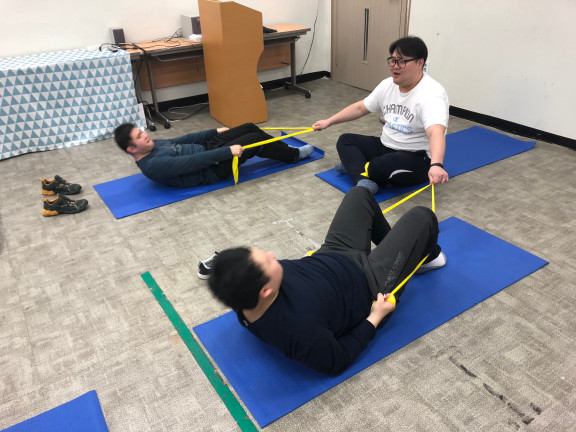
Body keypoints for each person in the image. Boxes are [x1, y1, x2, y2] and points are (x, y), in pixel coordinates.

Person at [207, 187, 446, 375]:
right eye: (269, 262)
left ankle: (403, 251)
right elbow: (337, 361)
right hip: (370, 284)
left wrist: (306, 263)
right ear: (266, 291)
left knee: (360, 194)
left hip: (333, 252)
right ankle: (426, 257)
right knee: (423, 216)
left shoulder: (243, 295)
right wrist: (375, 317)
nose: (272, 255)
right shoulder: (298, 332)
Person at [313, 36, 450, 194]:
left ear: (420, 63)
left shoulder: (432, 94)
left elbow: (435, 132)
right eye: (393, 60)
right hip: (385, 146)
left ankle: (356, 168)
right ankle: (362, 174)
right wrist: (329, 121)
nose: (395, 66)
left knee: (381, 165)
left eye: (401, 61)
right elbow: (360, 108)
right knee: (346, 141)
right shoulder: (387, 85)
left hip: (415, 157)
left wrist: (436, 165)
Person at [113, 123, 314, 187]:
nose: (145, 135)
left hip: (207, 149)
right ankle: (293, 155)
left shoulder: (150, 146)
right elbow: (194, 161)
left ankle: (281, 148)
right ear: (132, 149)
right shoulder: (153, 165)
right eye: (139, 137)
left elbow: (183, 139)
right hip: (212, 168)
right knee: (254, 139)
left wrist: (214, 132)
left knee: (249, 127)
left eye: (142, 132)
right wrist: (228, 151)